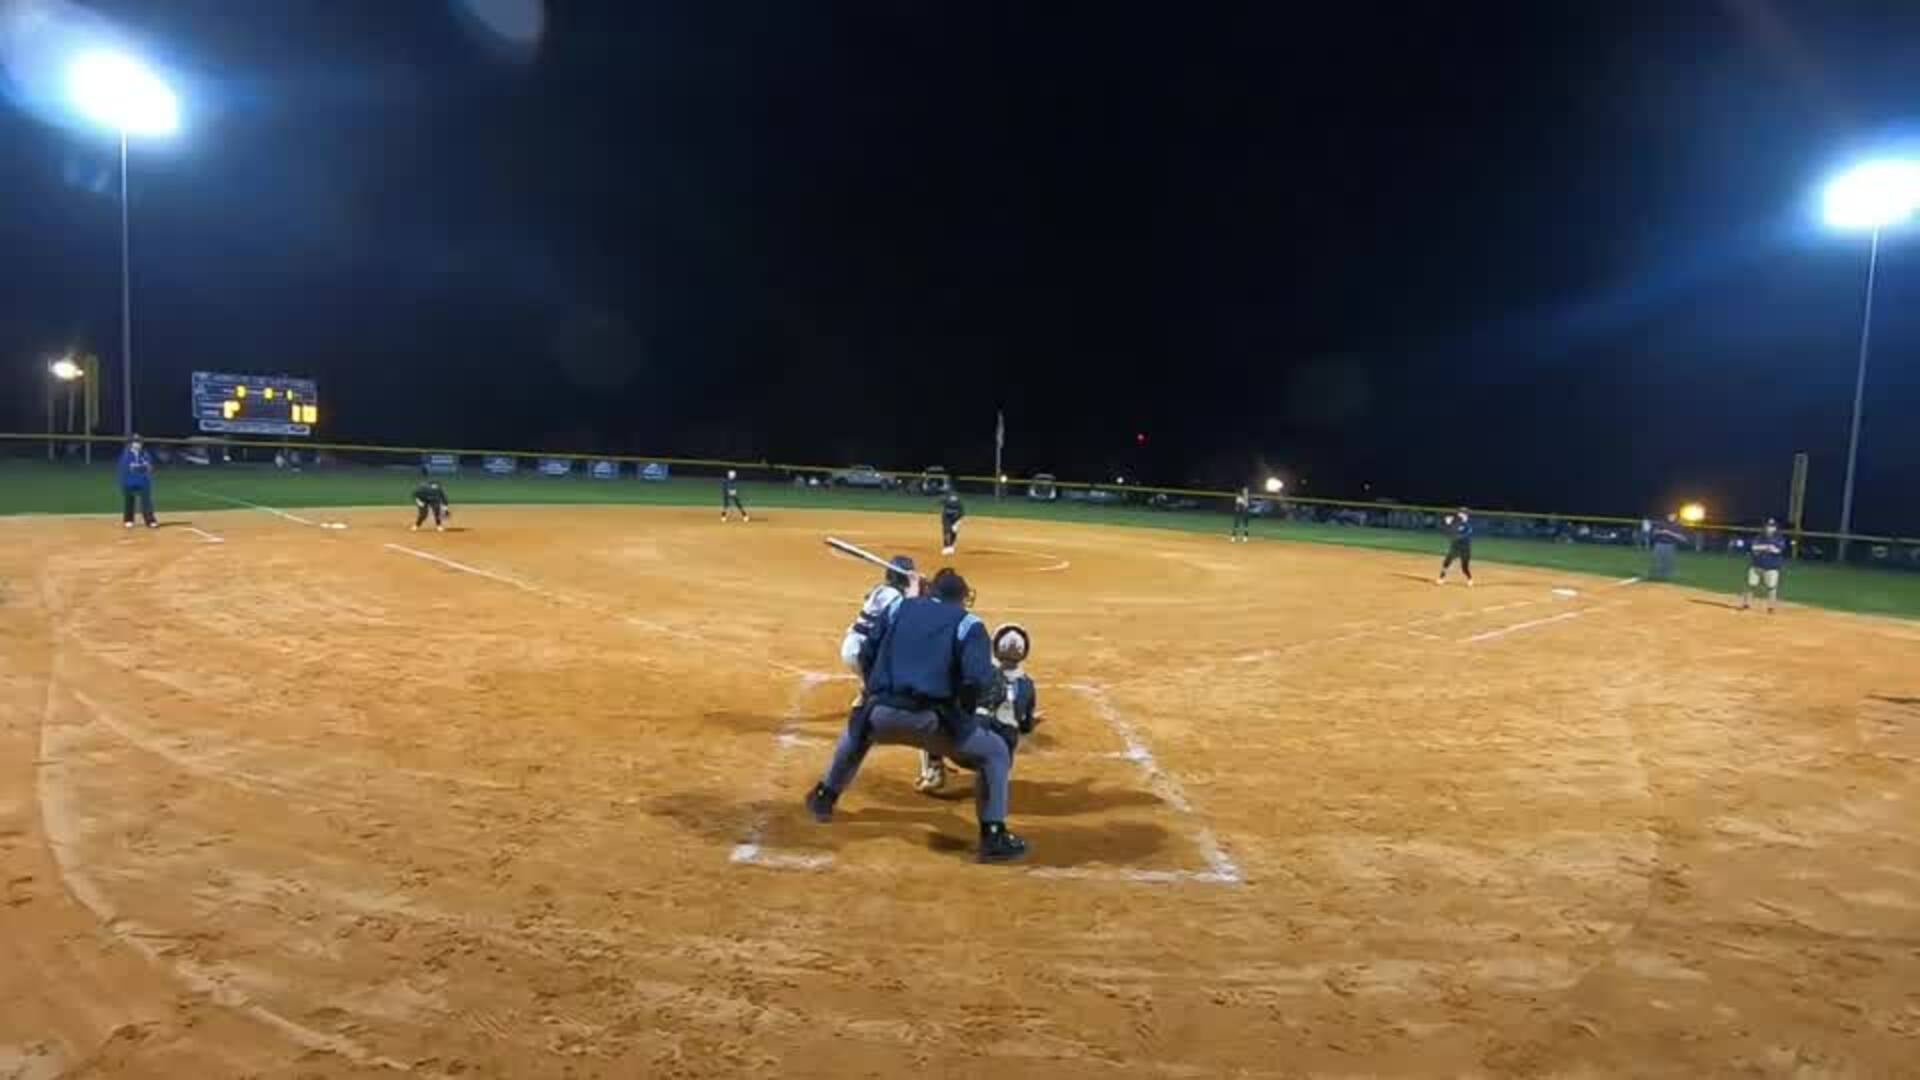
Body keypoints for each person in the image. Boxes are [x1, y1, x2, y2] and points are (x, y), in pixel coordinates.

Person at [806, 568, 1028, 863]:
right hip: (930, 722)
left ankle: (824, 797)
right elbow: (977, 680)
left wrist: (873, 691)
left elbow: (866, 651)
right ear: (962, 599)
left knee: (857, 730)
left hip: (880, 714)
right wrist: (965, 716)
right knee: (996, 752)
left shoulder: (898, 606)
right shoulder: (968, 624)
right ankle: (993, 835)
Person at [918, 622, 1039, 794]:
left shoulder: (979, 672)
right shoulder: (1028, 685)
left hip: (963, 753)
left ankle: (933, 770)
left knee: (933, 708)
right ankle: (990, 778)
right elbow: (1026, 728)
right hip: (999, 760)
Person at [840, 555, 917, 704]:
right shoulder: (893, 596)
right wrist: (916, 585)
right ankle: (871, 695)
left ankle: (867, 687)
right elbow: (910, 609)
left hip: (853, 647)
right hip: (861, 653)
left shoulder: (880, 590)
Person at [1740, 519, 1787, 613]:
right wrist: (1767, 547)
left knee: (1771, 587)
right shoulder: (1759, 537)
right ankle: (1746, 604)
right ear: (1765, 527)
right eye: (1768, 526)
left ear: (1775, 528)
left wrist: (1766, 548)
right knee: (1751, 585)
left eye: (1772, 526)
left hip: (1771, 568)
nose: (1770, 528)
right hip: (1756, 566)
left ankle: (1771, 607)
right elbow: (1753, 547)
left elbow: (1778, 550)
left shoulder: (1779, 538)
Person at [117, 436, 158, 529]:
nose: (138, 444)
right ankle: (128, 520)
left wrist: (140, 467)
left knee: (146, 502)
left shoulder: (145, 454)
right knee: (129, 501)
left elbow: (149, 467)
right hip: (128, 481)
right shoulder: (126, 454)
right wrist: (142, 466)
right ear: (131, 443)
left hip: (143, 481)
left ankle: (150, 520)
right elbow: (130, 467)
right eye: (136, 442)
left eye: (139, 442)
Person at [1435, 507, 1474, 586]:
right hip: (1455, 547)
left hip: (1465, 549)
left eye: (1463, 513)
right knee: (1446, 562)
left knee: (1464, 568)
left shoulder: (1468, 525)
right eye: (1460, 513)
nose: (1460, 514)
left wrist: (1453, 533)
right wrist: (1446, 522)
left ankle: (1469, 579)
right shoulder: (1456, 521)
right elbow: (1445, 526)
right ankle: (1441, 578)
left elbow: (1465, 534)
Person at [1650, 514, 1689, 581]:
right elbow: (1654, 532)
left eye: (1673, 516)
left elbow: (1682, 538)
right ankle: (1656, 575)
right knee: (1657, 559)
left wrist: (1670, 533)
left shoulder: (1677, 525)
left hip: (1670, 545)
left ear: (1675, 517)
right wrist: (1662, 531)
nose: (1671, 517)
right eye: (1670, 516)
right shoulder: (1662, 523)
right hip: (1659, 544)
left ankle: (1666, 576)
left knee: (1668, 561)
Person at [940, 491, 965, 556]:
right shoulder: (948, 500)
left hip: (955, 518)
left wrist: (958, 521)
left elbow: (961, 513)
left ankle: (950, 546)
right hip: (947, 517)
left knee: (953, 531)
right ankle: (946, 546)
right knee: (947, 531)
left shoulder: (958, 504)